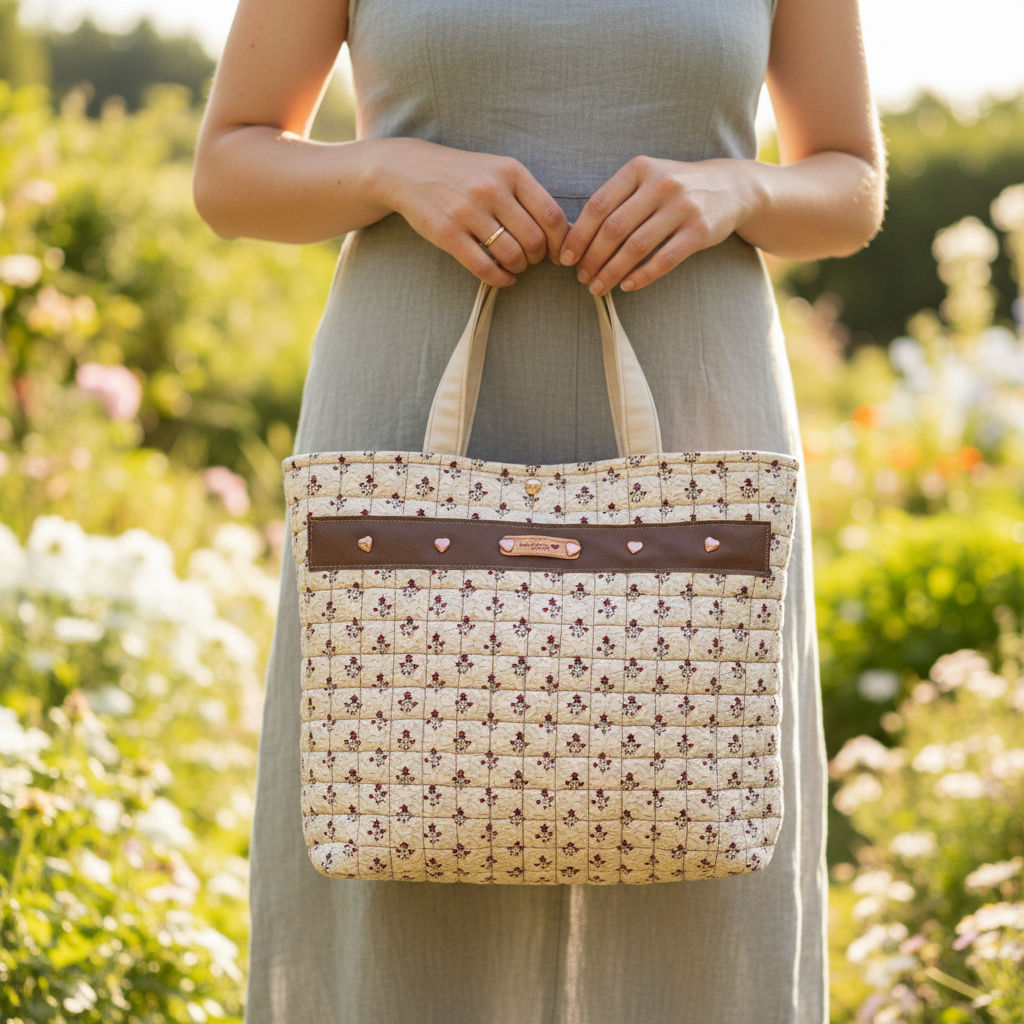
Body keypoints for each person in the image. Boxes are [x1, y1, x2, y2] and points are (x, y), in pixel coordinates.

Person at [193, 0, 884, 1019]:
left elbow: (849, 182)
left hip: (697, 415)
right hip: (408, 408)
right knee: (402, 824)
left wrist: (735, 186)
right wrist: (387, 169)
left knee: (696, 838)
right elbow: (229, 172)